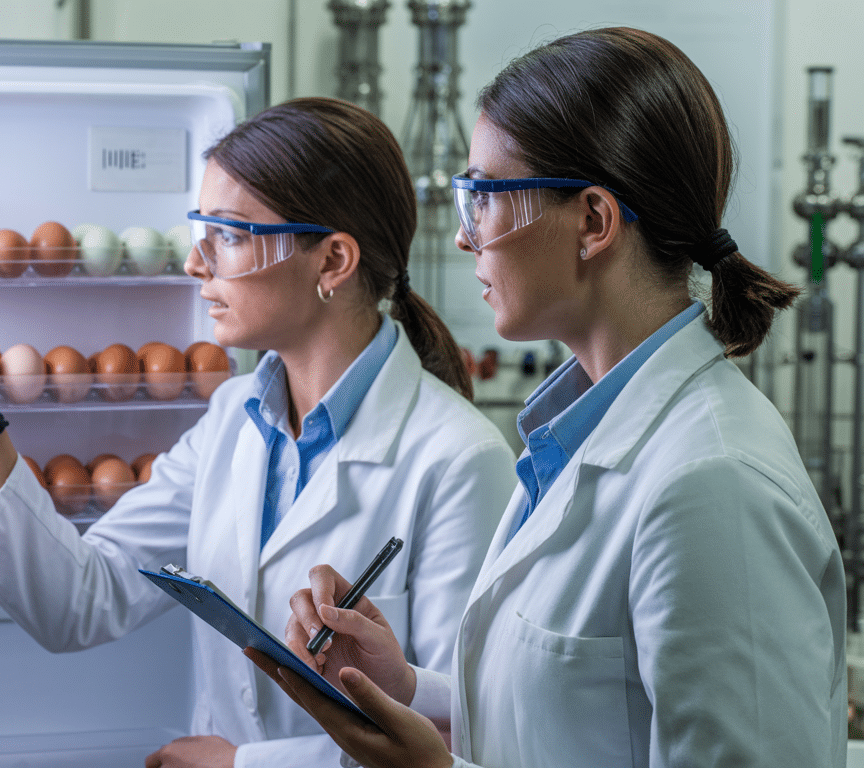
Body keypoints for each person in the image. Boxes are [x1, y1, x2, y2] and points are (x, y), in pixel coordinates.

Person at [0, 96, 517, 768]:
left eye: (228, 234)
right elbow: (80, 600)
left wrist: (247, 765)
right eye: (201, 231)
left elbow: (458, 724)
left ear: (333, 262)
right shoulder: (232, 421)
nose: (196, 264)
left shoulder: (459, 458)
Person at [254, 27, 847, 768]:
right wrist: (405, 687)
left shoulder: (714, 483)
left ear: (593, 223)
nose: (467, 240)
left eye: (483, 198)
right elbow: (575, 718)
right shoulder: (573, 439)